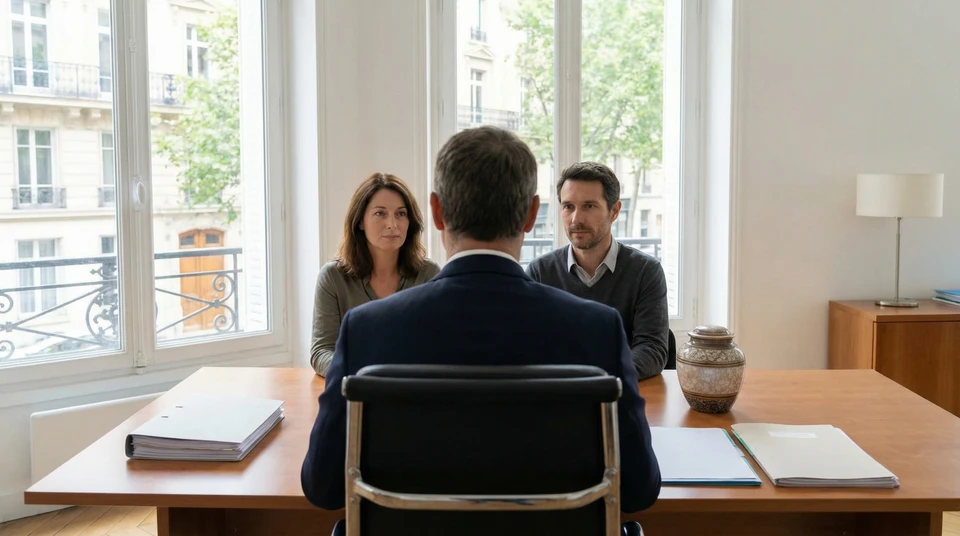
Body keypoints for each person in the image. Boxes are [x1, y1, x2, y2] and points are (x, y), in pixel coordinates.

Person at [301, 127, 661, 522]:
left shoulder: (365, 329)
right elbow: (639, 490)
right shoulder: (599, 330)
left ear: (436, 212)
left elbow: (323, 487)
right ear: (530, 214)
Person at [525, 162, 669, 380]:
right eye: (568, 206)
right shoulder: (539, 272)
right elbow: (530, 349)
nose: (576, 219)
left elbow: (652, 349)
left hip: (620, 396)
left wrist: (596, 379)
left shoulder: (646, 271)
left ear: (615, 211)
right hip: (560, 398)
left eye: (589, 206)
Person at [309, 172, 440, 376]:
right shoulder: (332, 277)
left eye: (401, 214)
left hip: (413, 392)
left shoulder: (430, 273)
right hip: (355, 391)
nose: (392, 224)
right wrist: (364, 375)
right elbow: (321, 352)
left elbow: (438, 348)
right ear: (360, 221)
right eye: (380, 213)